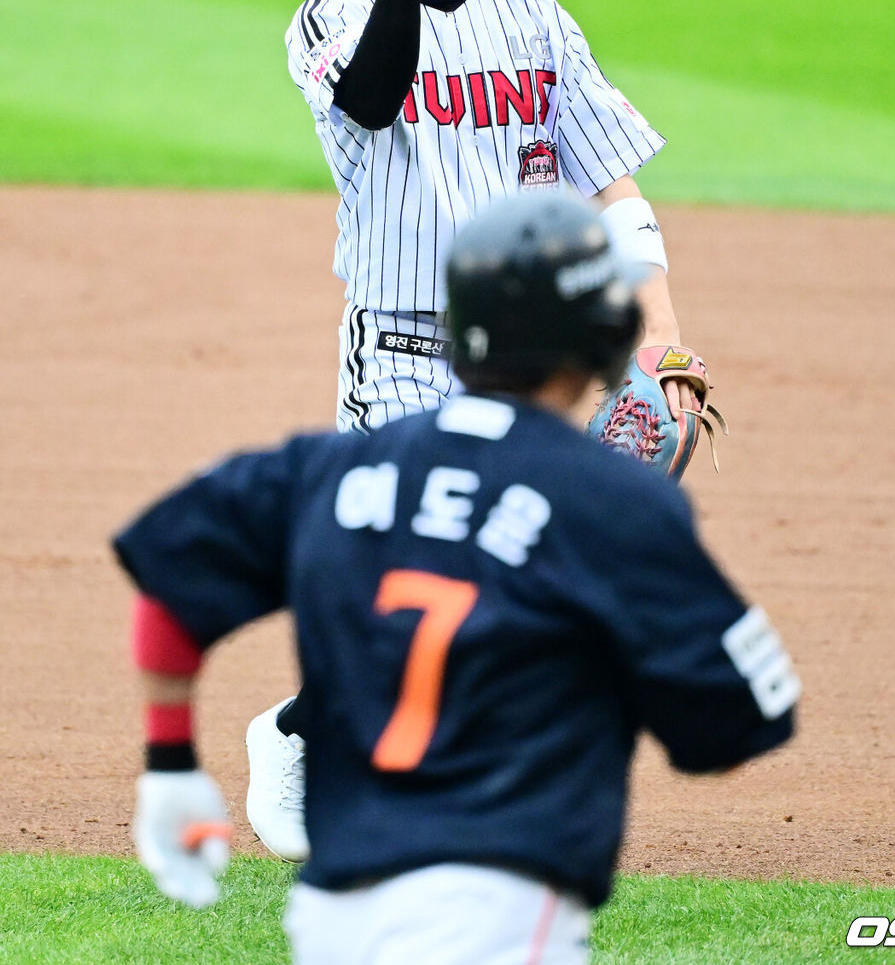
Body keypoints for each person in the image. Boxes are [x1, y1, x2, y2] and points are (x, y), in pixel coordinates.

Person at [117, 193, 799, 964]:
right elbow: (727, 736)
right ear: (603, 340)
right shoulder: (612, 505)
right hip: (499, 921)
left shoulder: (326, 469)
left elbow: (171, 579)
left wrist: (170, 767)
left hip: (330, 921)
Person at [256, 0, 709, 863]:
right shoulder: (331, 18)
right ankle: (306, 742)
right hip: (401, 350)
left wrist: (663, 340)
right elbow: (370, 99)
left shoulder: (538, 23)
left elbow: (614, 193)